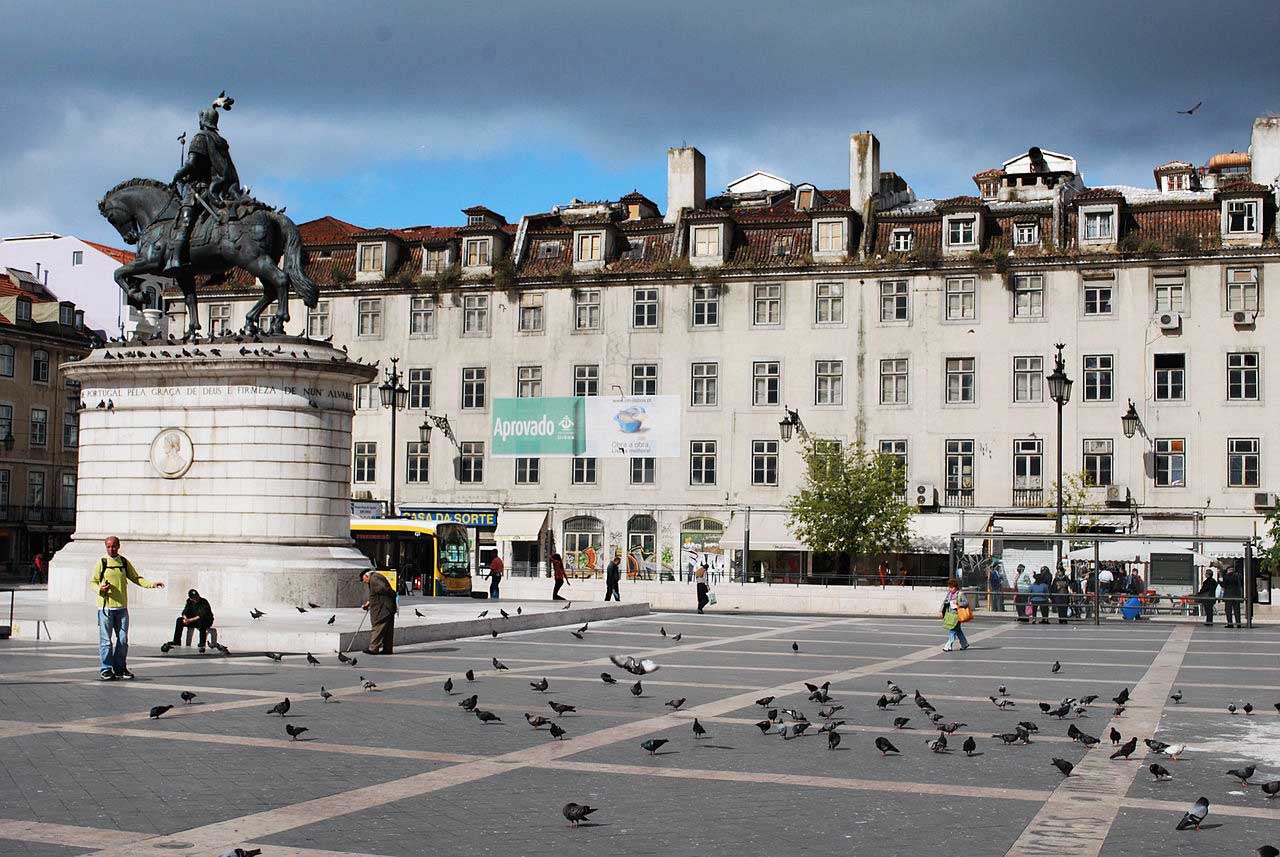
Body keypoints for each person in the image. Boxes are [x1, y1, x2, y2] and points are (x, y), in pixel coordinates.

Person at [92, 536, 164, 680]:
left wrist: (151, 584)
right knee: (106, 641)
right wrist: (101, 589)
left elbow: (136, 578)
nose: (111, 549)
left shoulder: (123, 562)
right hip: (106, 609)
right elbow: (92, 582)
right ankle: (106, 668)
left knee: (123, 640)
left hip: (121, 608)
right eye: (108, 546)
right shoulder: (102, 562)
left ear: (118, 546)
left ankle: (120, 668)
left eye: (113, 546)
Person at [361, 568, 397, 654]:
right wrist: (369, 603)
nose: (364, 582)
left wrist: (391, 594)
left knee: (378, 627)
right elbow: (377, 594)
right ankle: (387, 649)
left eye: (363, 579)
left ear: (366, 576)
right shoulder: (375, 578)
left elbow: (383, 588)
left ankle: (373, 648)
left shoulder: (374, 579)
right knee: (387, 630)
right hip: (388, 607)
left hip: (383, 608)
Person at [940, 578, 970, 652]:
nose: (950, 589)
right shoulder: (949, 594)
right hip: (950, 614)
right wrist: (941, 610)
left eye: (952, 587)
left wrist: (958, 603)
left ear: (955, 587)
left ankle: (948, 646)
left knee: (952, 630)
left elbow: (966, 603)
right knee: (958, 630)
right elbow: (944, 601)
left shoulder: (960, 594)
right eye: (949, 587)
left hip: (957, 615)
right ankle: (964, 643)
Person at [1220, 563, 1243, 628]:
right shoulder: (1238, 576)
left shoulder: (1226, 577)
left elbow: (1223, 585)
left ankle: (1230, 623)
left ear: (1228, 570)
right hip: (1236, 595)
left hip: (1228, 595)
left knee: (1228, 610)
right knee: (1237, 610)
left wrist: (1220, 581)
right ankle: (1238, 623)